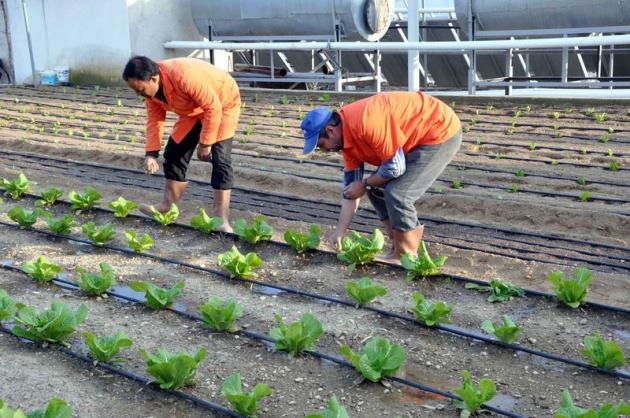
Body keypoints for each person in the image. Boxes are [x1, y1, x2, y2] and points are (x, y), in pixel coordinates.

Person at [300, 91, 462, 260]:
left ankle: (406, 256)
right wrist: (340, 232)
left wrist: (365, 184)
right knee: (375, 188)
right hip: (412, 139)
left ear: (331, 130)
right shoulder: (346, 144)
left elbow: (395, 167)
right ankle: (397, 243)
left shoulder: (365, 122)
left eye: (321, 144)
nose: (324, 150)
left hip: (438, 130)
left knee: (398, 193)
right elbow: (350, 192)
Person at [122, 56, 240, 232]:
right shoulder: (151, 93)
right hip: (192, 111)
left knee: (220, 159)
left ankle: (220, 219)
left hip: (222, 103)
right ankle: (167, 206)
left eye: (140, 89)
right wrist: (151, 154)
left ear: (153, 79)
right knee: (174, 153)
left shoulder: (183, 75)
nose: (139, 94)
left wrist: (206, 143)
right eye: (135, 90)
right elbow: (154, 121)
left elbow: (212, 108)